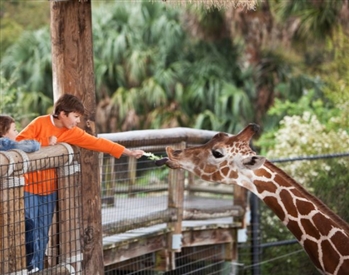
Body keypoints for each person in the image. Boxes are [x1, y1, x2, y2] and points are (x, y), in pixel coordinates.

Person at [16, 93, 145, 271]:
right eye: (75, 116)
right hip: (29, 188)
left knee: (43, 235)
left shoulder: (73, 132)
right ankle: (24, 268)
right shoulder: (39, 122)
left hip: (50, 191)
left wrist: (128, 152)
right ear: (63, 114)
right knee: (28, 231)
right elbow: (18, 142)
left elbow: (97, 143)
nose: (78, 121)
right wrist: (44, 142)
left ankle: (36, 269)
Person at [0, 115, 40, 272]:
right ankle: (28, 266)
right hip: (5, 201)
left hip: (7, 199)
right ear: (4, 132)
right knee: (28, 225)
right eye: (14, 130)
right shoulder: (4, 143)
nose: (17, 133)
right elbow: (31, 146)